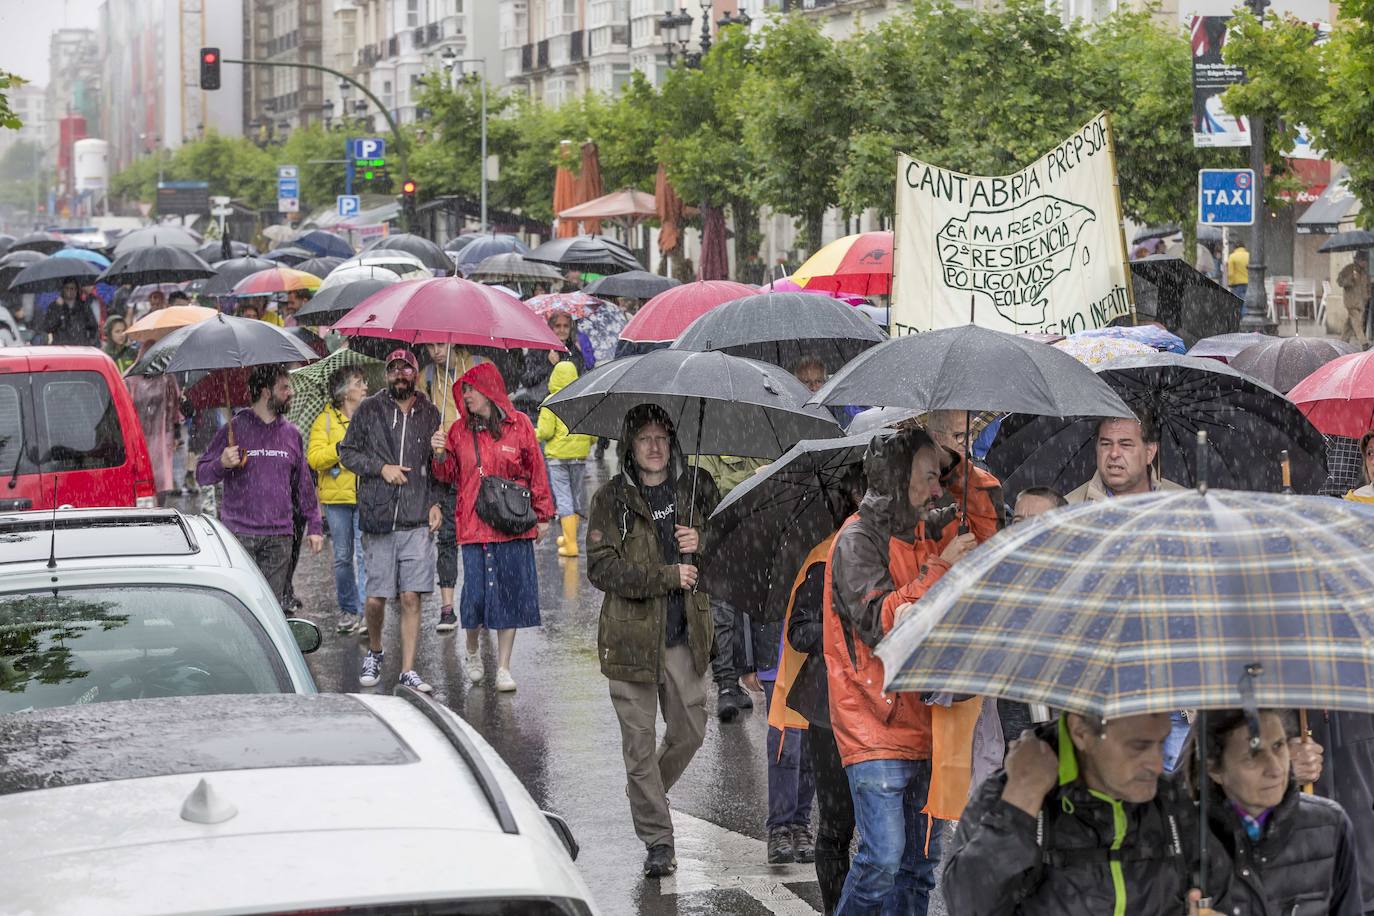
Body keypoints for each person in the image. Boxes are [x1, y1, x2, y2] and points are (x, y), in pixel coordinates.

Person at [825, 427, 978, 915]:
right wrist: (940, 570)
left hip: (923, 718)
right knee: (882, 860)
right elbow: (880, 623)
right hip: (873, 719)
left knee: (918, 866)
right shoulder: (856, 540)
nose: (937, 489)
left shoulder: (920, 528)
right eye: (929, 476)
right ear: (897, 477)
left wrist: (964, 469)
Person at [585, 404, 720, 879]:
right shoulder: (611, 499)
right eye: (644, 438)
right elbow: (601, 568)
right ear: (630, 445)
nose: (655, 446)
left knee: (690, 731)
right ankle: (658, 841)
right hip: (630, 641)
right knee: (638, 747)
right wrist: (666, 574)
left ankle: (645, 791)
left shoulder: (696, 487)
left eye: (662, 436)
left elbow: (725, 543)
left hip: (684, 634)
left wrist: (701, 540)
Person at [944, 713, 1218, 916]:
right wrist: (1022, 797)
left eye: (1162, 742)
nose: (1157, 765)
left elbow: (1216, 889)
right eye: (1139, 746)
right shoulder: (1010, 792)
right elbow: (968, 906)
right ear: (1081, 732)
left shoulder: (1169, 801)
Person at [770, 466, 866, 910]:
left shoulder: (907, 555)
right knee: (836, 826)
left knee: (885, 837)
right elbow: (799, 631)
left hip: (887, 707)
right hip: (831, 710)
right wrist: (846, 626)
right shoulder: (824, 559)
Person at [431, 362, 554, 692]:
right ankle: (472, 651)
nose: (465, 395)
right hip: (474, 525)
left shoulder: (521, 425)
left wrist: (543, 515)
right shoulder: (457, 431)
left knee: (508, 595)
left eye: (470, 388)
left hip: (512, 523)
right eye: (464, 390)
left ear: (488, 390)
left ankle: (503, 667)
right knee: (475, 596)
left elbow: (536, 470)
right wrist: (439, 455)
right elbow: (447, 477)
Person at [338, 349, 444, 694]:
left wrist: (436, 496)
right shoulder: (369, 409)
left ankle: (408, 670)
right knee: (376, 598)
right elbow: (347, 453)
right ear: (386, 374)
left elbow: (439, 468)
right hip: (378, 516)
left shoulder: (430, 412)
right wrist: (381, 469)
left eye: (406, 369)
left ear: (416, 373)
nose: (400, 374)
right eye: (393, 369)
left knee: (411, 596)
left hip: (416, 516)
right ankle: (376, 650)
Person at [1201, 708, 1361, 916]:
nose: (1275, 768)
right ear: (1214, 768)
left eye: (1278, 746)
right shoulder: (1185, 837)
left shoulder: (1331, 824)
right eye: (1253, 753)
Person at [195, 363, 324, 603]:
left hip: (280, 538)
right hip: (239, 536)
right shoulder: (233, 429)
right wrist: (221, 463)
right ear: (266, 392)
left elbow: (303, 484)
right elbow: (202, 475)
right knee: (241, 606)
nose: (291, 393)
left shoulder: (291, 433)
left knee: (270, 608)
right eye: (285, 388)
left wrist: (315, 526)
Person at [695, 452, 771, 721]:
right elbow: (710, 492)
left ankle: (755, 672)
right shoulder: (706, 454)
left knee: (752, 612)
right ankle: (727, 684)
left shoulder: (759, 443)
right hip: (719, 543)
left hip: (755, 541)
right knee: (722, 615)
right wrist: (755, 478)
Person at [421, 341, 481, 632]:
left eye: (439, 344)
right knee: (446, 538)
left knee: (476, 538)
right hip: (443, 460)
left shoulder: (476, 367)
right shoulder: (428, 376)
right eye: (430, 346)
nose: (435, 351)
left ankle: (477, 600)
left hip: (474, 465)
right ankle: (447, 608)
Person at [307, 365, 369, 636]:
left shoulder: (369, 417)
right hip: (337, 499)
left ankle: (368, 611)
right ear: (344, 393)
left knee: (365, 555)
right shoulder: (325, 421)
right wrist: (339, 448)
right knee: (343, 557)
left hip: (365, 496)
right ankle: (348, 609)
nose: (365, 387)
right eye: (359, 383)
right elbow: (315, 458)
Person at [536, 360, 593, 558]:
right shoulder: (583, 400)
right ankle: (570, 539)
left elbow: (545, 432)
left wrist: (531, 434)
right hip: (579, 457)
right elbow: (592, 434)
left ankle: (570, 545)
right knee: (575, 497)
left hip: (558, 458)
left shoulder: (552, 401)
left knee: (563, 498)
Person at [1067, 412, 1184, 502]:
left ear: (1149, 452)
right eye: (1106, 444)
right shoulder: (1067, 509)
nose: (1114, 453)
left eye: (1125, 444)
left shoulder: (1184, 504)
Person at [516, 310, 593, 419]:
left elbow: (581, 379)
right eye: (558, 326)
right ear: (551, 328)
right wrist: (548, 365)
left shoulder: (574, 351)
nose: (562, 330)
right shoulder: (537, 349)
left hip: (567, 407)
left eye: (565, 326)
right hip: (538, 407)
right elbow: (526, 379)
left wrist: (561, 364)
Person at [42, 279, 100, 347]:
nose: (70, 291)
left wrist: (89, 342)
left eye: (72, 288)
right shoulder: (54, 306)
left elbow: (93, 326)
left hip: (80, 347)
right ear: (63, 289)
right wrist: (58, 308)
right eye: (67, 288)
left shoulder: (84, 306)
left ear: (76, 290)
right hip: (60, 347)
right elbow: (48, 327)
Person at [1338, 251, 1370, 348]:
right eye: (1363, 260)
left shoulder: (1364, 272)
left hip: (1360, 303)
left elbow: (1364, 286)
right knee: (1357, 322)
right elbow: (1340, 282)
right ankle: (1364, 343)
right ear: (1358, 260)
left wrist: (1367, 296)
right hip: (1351, 302)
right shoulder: (1349, 269)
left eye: (1366, 261)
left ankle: (1342, 341)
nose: (1365, 263)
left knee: (1350, 324)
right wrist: (1350, 279)